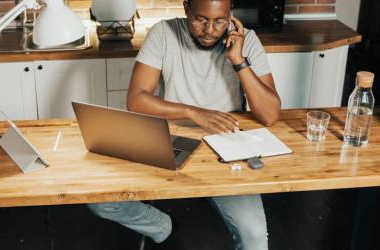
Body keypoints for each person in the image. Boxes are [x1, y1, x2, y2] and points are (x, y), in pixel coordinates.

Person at [87, 0, 281, 249]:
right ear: (186, 8)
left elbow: (270, 115)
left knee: (254, 235)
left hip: (227, 141)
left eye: (219, 21)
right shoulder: (163, 33)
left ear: (230, 13)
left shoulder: (247, 40)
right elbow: (136, 99)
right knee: (101, 201)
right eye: (201, 19)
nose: (210, 30)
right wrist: (193, 112)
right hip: (169, 135)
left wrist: (238, 60)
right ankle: (161, 226)